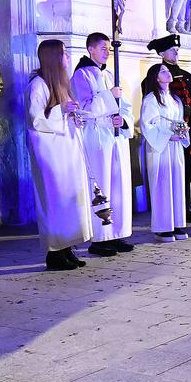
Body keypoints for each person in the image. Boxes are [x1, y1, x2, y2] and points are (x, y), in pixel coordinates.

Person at [26, 39, 93, 269]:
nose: (68, 57)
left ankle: (67, 247)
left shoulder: (61, 84)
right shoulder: (38, 85)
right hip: (50, 155)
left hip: (66, 152)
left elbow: (63, 117)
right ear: (53, 57)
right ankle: (54, 253)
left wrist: (74, 117)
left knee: (68, 200)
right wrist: (60, 110)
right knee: (55, 200)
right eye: (64, 53)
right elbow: (36, 120)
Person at [72, 32, 134, 256]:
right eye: (103, 48)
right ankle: (100, 238)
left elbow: (124, 106)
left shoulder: (109, 74)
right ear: (91, 49)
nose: (107, 52)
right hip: (97, 135)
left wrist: (123, 119)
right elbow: (85, 107)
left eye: (109, 48)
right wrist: (109, 96)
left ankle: (116, 233)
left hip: (114, 136)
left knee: (118, 186)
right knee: (102, 186)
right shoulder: (82, 74)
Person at [147, 34, 191, 223]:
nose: (176, 53)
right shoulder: (153, 79)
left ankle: (184, 209)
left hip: (186, 130)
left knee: (184, 170)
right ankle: (168, 216)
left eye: (177, 50)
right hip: (166, 137)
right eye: (172, 50)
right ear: (161, 53)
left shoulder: (186, 75)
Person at [138, 62, 189, 242]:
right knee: (162, 184)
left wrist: (182, 131)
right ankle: (162, 226)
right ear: (156, 78)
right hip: (160, 147)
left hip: (175, 146)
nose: (168, 73)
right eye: (163, 71)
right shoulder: (151, 99)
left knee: (176, 183)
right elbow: (147, 125)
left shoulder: (175, 99)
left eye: (168, 71)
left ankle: (177, 222)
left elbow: (179, 120)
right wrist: (168, 136)